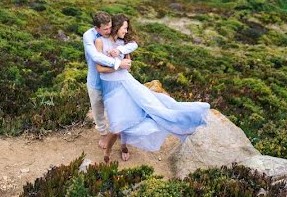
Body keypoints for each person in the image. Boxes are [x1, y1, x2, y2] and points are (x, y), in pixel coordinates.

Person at [95, 14, 209, 163]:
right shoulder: (100, 41)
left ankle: (124, 146)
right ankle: (108, 151)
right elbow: (100, 69)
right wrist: (118, 65)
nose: (126, 31)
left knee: (149, 111)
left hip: (127, 84)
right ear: (117, 27)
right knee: (116, 126)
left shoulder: (124, 44)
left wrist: (121, 58)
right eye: (124, 28)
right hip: (111, 88)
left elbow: (128, 65)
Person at [82, 11, 132, 149]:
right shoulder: (89, 36)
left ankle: (119, 129)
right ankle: (103, 134)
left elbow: (127, 44)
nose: (109, 31)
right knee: (98, 108)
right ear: (96, 28)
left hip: (113, 81)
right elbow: (96, 57)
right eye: (105, 29)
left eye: (110, 27)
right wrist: (118, 65)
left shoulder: (111, 33)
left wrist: (124, 54)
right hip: (95, 80)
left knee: (116, 106)